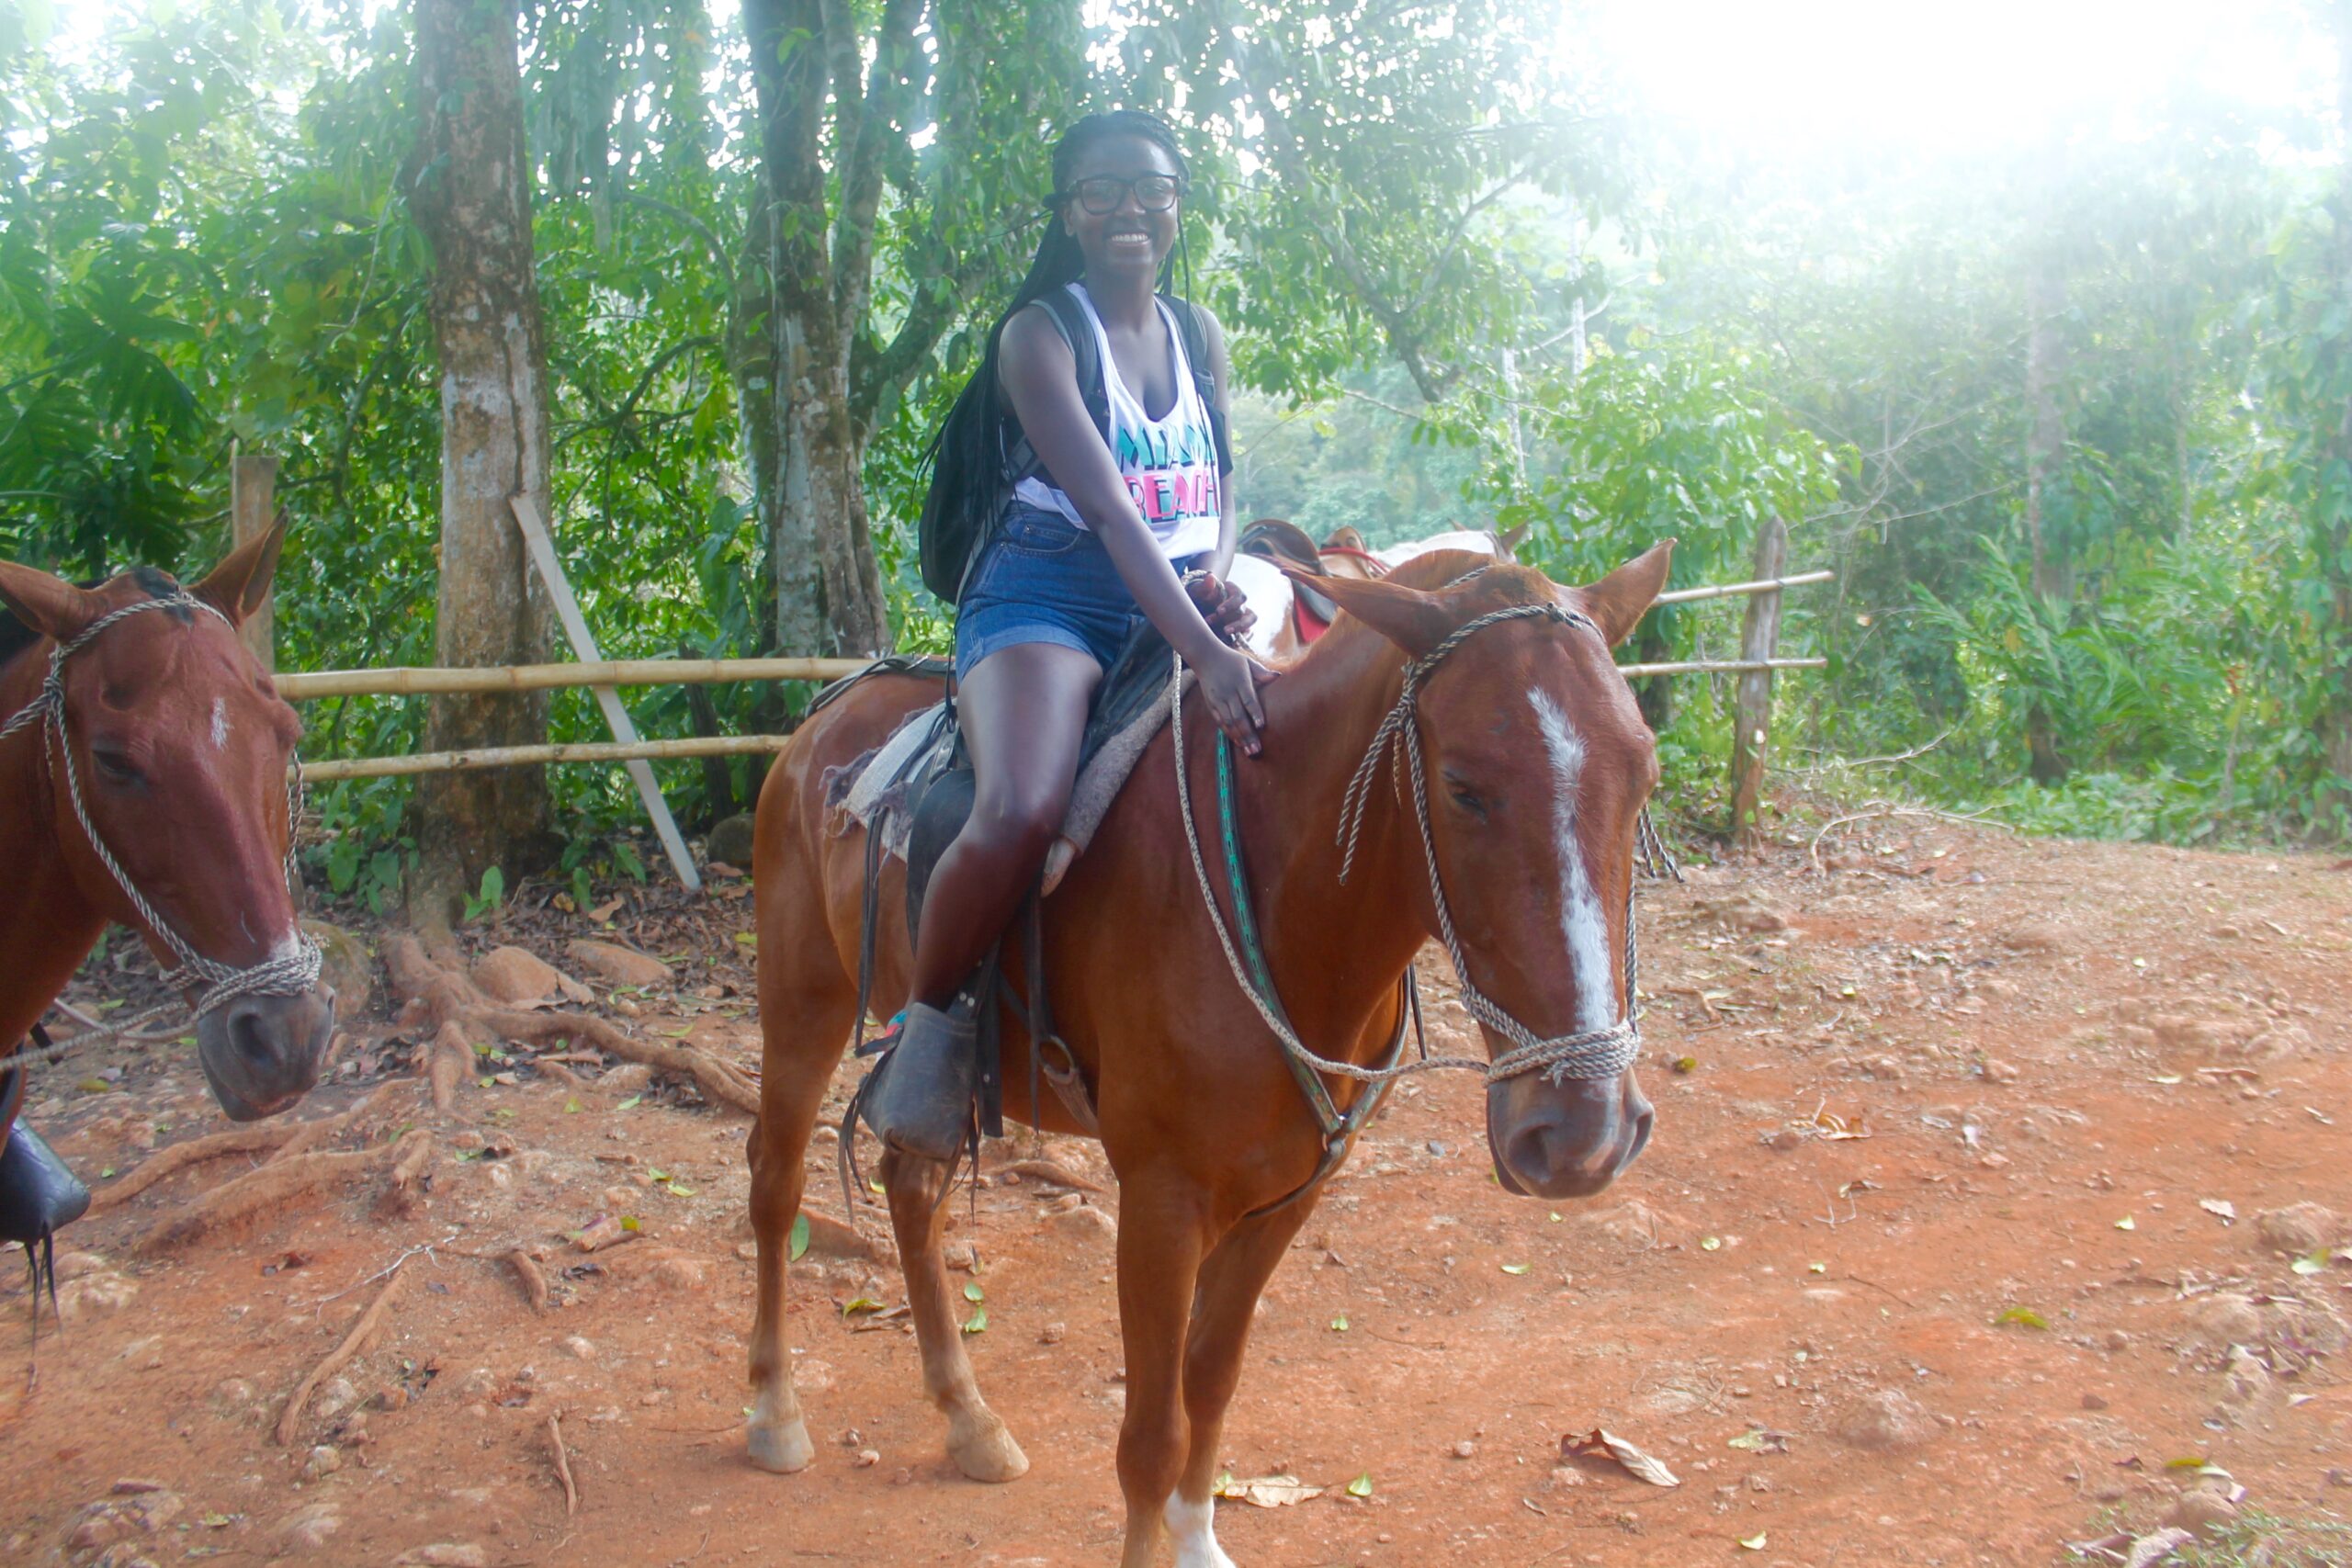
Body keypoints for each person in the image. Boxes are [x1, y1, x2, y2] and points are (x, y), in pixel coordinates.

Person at [866, 110, 1276, 1162]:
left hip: (1172, 589)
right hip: (1046, 598)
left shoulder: (1200, 334)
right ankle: (925, 1034)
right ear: (1067, 214)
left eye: (1150, 189)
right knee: (1020, 806)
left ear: (1179, 202)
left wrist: (1215, 588)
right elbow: (1105, 508)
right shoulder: (1039, 337)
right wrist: (1200, 644)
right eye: (1100, 193)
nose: (1128, 210)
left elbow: (1220, 490)